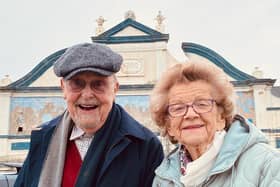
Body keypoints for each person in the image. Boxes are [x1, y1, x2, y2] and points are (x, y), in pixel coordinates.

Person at [15, 42, 164, 187]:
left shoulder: (145, 146)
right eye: (77, 84)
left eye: (98, 84)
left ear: (115, 89)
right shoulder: (44, 138)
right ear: (63, 88)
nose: (87, 95)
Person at [150, 61, 280, 187]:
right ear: (169, 127)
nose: (190, 114)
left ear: (221, 117)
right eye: (178, 108)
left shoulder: (268, 164)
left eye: (202, 104)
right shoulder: (163, 179)